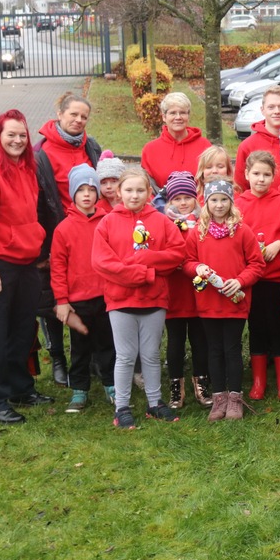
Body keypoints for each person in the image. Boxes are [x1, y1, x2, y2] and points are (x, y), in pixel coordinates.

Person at [0, 109, 49, 424]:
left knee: (21, 330)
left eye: (22, 135)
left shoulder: (27, 168)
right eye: (11, 135)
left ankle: (20, 388)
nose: (17, 140)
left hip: (26, 263)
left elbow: (29, 215)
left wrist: (37, 247)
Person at [91, 167, 186, 429]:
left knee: (151, 354)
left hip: (154, 300)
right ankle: (122, 406)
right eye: (129, 190)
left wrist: (146, 260)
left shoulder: (161, 221)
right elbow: (102, 262)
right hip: (121, 301)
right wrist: (143, 275)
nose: (134, 195)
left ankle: (154, 403)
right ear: (119, 192)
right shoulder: (108, 222)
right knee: (125, 355)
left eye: (140, 190)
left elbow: (176, 253)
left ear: (149, 193)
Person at [34, 92, 102, 388]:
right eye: (73, 114)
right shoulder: (42, 153)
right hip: (53, 234)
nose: (78, 120)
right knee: (52, 300)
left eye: (83, 116)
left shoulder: (92, 147)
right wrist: (41, 246)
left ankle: (93, 356)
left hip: (88, 232)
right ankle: (58, 357)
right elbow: (36, 201)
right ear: (59, 114)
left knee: (88, 296)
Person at [185, 179, 264, 421]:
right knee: (214, 349)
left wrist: (240, 280)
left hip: (235, 302)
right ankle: (218, 398)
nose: (219, 205)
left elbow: (257, 264)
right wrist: (197, 268)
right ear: (206, 202)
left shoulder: (242, 231)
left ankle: (235, 398)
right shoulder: (197, 232)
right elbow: (187, 262)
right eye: (214, 200)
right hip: (208, 303)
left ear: (231, 202)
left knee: (232, 349)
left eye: (223, 199)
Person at [235, 151, 280, 402]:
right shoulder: (239, 205)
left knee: (279, 328)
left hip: (277, 279)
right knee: (257, 328)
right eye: (256, 174)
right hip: (251, 280)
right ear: (246, 175)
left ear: (274, 177)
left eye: (266, 175)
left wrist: (278, 245)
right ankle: (259, 382)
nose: (261, 179)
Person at [50, 164, 116, 413]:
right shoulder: (63, 229)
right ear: (72, 193)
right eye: (81, 190)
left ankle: (111, 385)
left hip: (106, 296)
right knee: (80, 348)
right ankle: (79, 390)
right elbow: (57, 268)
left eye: (92, 189)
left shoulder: (108, 222)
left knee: (107, 344)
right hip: (77, 300)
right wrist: (62, 300)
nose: (87, 194)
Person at [161, 171, 210, 411]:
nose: (182, 202)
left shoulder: (204, 222)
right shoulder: (164, 224)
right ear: (170, 200)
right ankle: (175, 388)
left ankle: (201, 383)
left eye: (187, 197)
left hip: (198, 291)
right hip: (175, 291)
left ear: (195, 198)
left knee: (200, 340)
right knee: (175, 342)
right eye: (177, 198)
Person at [139, 92, 210, 192]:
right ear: (164, 117)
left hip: (199, 205)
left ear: (188, 116)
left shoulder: (205, 146)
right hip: (162, 206)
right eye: (173, 113)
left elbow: (213, 182)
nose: (178, 117)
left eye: (182, 113)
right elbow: (147, 188)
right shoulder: (150, 150)